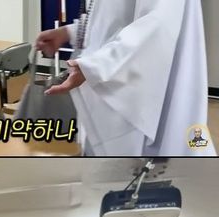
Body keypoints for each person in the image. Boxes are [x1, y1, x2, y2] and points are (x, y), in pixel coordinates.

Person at [36, 0, 215, 157]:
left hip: (141, 90)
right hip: (112, 87)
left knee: (149, 168)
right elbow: (112, 16)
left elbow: (156, 25)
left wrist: (95, 67)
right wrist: (68, 32)